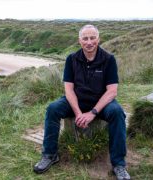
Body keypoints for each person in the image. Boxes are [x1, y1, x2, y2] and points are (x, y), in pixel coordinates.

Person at [33, 25, 130, 180]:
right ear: (80, 41)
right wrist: (78, 113)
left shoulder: (108, 59)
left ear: (98, 39)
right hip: (76, 100)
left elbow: (112, 91)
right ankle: (50, 155)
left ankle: (118, 164)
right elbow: (69, 90)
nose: (89, 42)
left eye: (93, 38)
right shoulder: (72, 59)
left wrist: (92, 113)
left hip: (100, 103)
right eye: (85, 38)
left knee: (118, 113)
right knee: (53, 109)